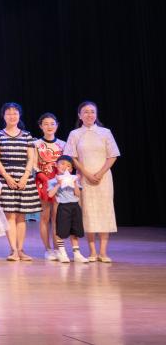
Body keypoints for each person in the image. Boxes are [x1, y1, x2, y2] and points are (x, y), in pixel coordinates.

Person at [64, 101, 120, 262]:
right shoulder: (75, 134)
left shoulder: (105, 132)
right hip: (84, 177)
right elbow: (72, 157)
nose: (89, 114)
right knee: (88, 212)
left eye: (92, 112)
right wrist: (86, 173)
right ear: (80, 115)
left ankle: (103, 252)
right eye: (86, 112)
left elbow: (113, 155)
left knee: (104, 211)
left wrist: (100, 173)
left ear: (96, 114)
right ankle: (92, 252)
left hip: (104, 178)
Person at [0, 102, 39, 261]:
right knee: (10, 215)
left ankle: (21, 249)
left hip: (24, 177)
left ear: (19, 115)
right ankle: (13, 250)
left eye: (15, 113)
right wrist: (7, 177)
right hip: (5, 178)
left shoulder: (27, 135)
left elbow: (31, 158)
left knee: (21, 216)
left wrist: (25, 176)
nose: (12, 116)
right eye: (9, 113)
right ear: (3, 116)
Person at [35, 113, 66, 261]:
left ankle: (58, 248)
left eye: (52, 124)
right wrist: (46, 179)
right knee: (45, 217)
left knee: (57, 218)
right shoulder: (36, 144)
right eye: (46, 124)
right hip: (43, 183)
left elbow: (67, 164)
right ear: (41, 126)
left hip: (59, 184)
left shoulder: (63, 144)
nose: (49, 126)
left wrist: (61, 179)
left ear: (57, 125)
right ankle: (48, 249)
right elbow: (34, 164)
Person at [47, 155, 89, 264]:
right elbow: (50, 194)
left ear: (71, 169)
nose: (65, 166)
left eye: (68, 165)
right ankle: (62, 253)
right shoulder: (52, 181)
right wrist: (58, 184)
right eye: (62, 164)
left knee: (75, 230)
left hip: (75, 206)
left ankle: (77, 254)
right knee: (61, 231)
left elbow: (78, 194)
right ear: (56, 165)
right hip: (63, 207)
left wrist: (74, 183)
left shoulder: (73, 179)